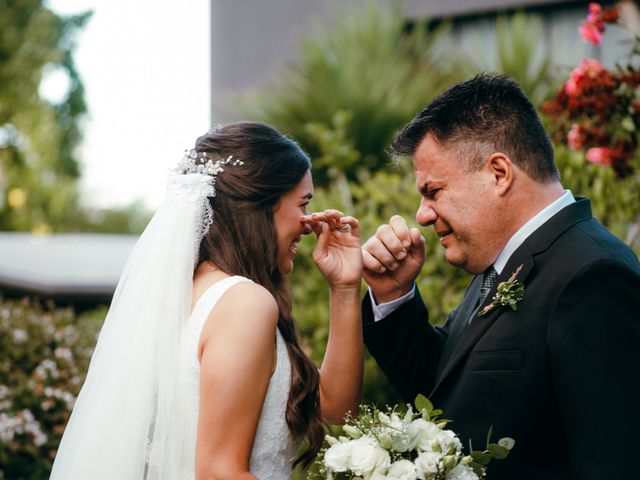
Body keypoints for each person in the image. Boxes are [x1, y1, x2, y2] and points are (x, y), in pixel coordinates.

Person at [361, 74, 640, 479]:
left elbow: (613, 461)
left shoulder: (594, 276)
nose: (422, 214)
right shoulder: (505, 262)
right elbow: (447, 387)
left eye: (433, 191)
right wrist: (394, 296)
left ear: (498, 173)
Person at [50, 122, 364, 479]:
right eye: (302, 204)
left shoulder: (184, 298)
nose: (309, 223)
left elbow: (337, 409)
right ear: (263, 203)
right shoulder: (245, 303)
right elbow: (218, 472)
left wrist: (345, 288)